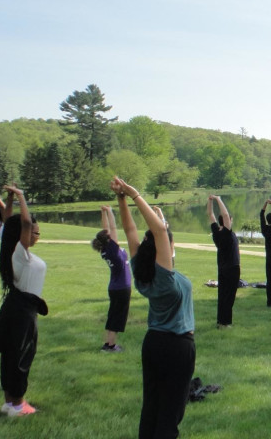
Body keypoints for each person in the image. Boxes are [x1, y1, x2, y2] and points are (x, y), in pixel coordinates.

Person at [111, 177, 195, 438]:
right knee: (171, 410)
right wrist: (134, 194)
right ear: (164, 248)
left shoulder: (140, 271)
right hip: (177, 347)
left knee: (152, 405)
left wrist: (121, 199)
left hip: (153, 344)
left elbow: (130, 232)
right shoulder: (165, 277)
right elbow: (158, 231)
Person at [0, 186, 46, 417]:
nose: (37, 236)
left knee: (11, 356)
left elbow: (8, 220)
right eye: (36, 232)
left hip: (18, 308)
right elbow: (21, 223)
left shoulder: (12, 250)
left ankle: (10, 403)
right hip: (23, 311)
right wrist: (22, 196)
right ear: (26, 233)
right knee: (20, 357)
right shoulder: (19, 254)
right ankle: (18, 405)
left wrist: (10, 200)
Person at [91, 205, 131, 352]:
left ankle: (108, 344)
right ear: (108, 239)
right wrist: (109, 211)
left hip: (114, 287)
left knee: (113, 315)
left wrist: (103, 212)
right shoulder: (113, 250)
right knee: (117, 317)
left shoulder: (104, 249)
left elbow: (106, 229)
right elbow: (113, 228)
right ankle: (111, 346)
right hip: (122, 288)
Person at [208, 195, 240, 328]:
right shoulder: (226, 232)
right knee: (229, 297)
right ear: (229, 221)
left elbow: (210, 214)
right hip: (232, 268)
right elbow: (225, 215)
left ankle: (221, 321)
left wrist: (210, 201)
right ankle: (226, 323)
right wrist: (218, 199)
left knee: (222, 295)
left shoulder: (216, 232)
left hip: (222, 268)